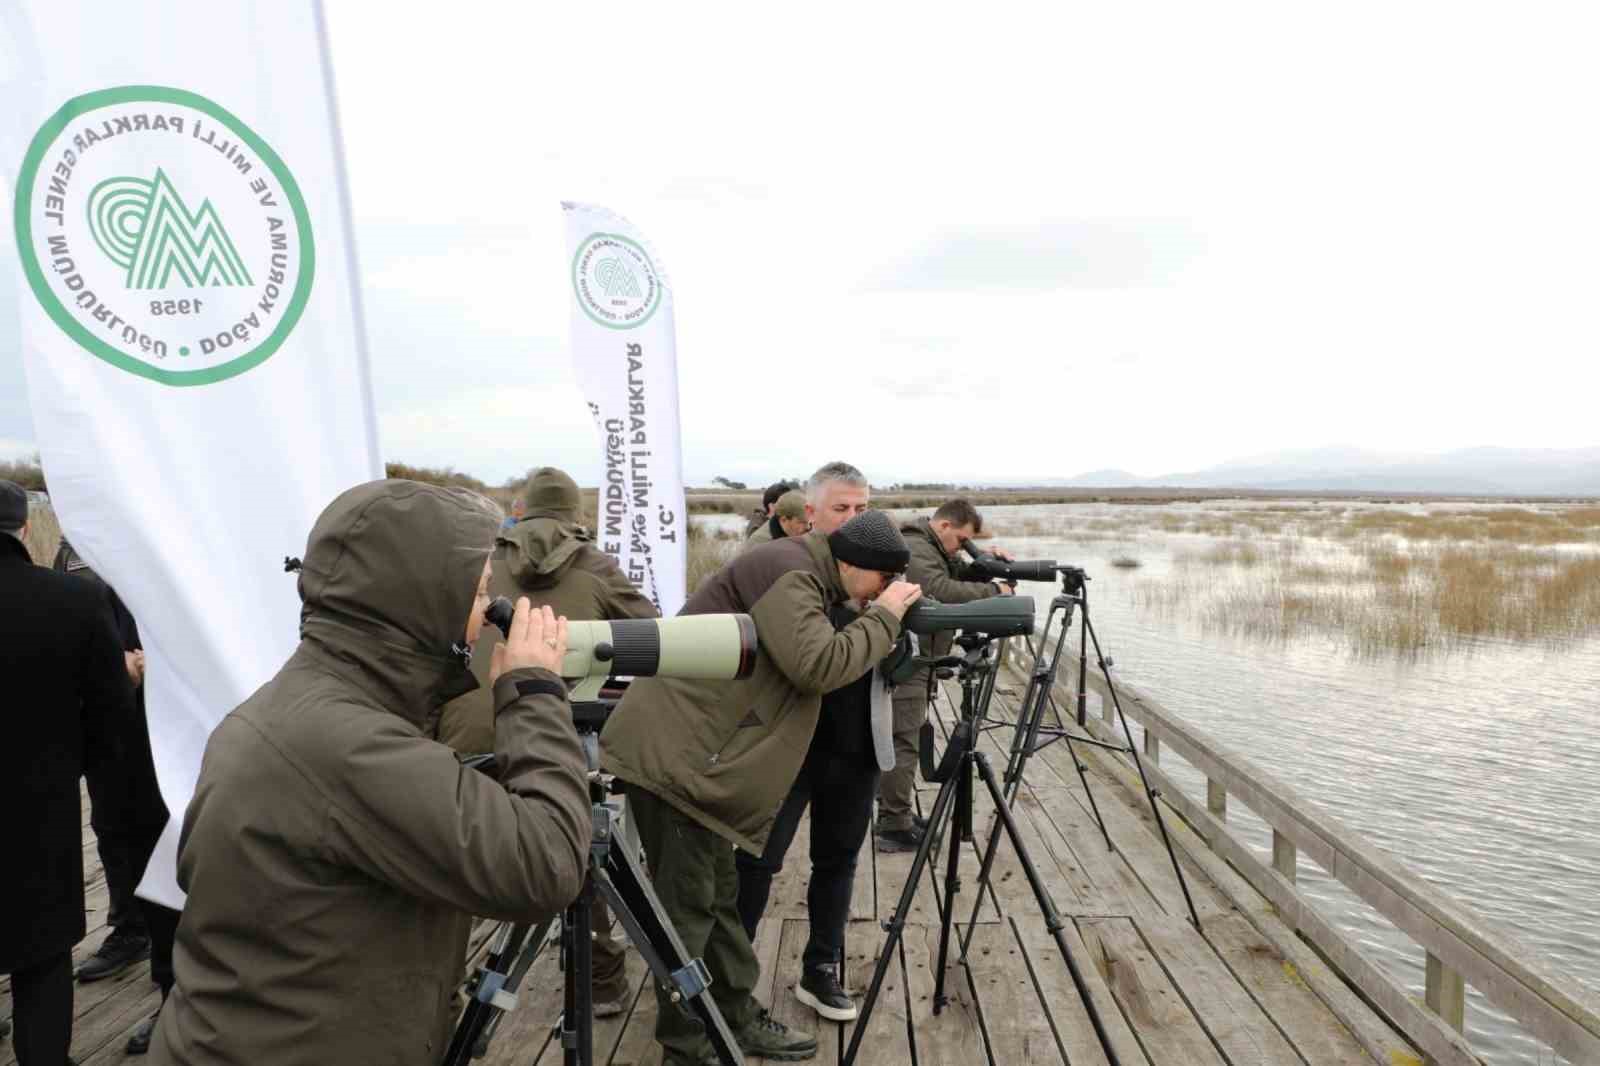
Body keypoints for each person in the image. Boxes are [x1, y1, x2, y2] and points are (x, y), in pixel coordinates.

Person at [147, 480, 591, 1066]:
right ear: (420, 599)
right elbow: (547, 863)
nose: (488, 616)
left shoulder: (305, 706)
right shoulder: (347, 748)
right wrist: (534, 691)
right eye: (480, 593)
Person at [601, 506, 921, 1066]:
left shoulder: (804, 570)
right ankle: (688, 1043)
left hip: (698, 754)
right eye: (884, 580)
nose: (886, 590)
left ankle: (735, 1015)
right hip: (677, 759)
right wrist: (886, 618)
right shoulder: (791, 572)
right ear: (854, 564)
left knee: (718, 897)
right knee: (688, 910)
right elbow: (817, 665)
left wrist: (879, 615)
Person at [436, 465, 656, 1016]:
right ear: (575, 517)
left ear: (521, 509)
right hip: (549, 723)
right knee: (576, 851)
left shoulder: (478, 561)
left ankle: (446, 991)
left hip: (464, 723)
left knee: (456, 855)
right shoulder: (597, 565)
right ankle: (602, 982)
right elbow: (648, 633)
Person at [734, 463, 903, 1023]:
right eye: (842, 509)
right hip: (788, 743)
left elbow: (900, 660)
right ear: (809, 513)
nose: (856, 520)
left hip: (855, 743)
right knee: (757, 860)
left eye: (863, 509)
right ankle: (729, 979)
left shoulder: (879, 570)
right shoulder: (792, 572)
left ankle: (821, 969)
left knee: (839, 859)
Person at [1, 480, 136, 1066]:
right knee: (41, 957)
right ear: (26, 528)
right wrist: (68, 766)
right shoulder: (73, 602)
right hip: (38, 809)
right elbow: (112, 722)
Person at [51, 538, 176, 1054]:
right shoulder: (73, 544)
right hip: (104, 721)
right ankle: (129, 928)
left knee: (161, 845)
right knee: (112, 831)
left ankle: (175, 986)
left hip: (162, 724)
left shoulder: (159, 537)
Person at [877, 499, 1014, 852]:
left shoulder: (929, 544)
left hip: (917, 656)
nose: (960, 548)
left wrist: (984, 565)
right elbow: (940, 589)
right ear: (944, 527)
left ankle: (897, 813)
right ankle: (893, 826)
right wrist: (994, 592)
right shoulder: (915, 546)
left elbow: (953, 573)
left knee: (903, 735)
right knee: (902, 740)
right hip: (906, 658)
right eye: (961, 540)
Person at [740, 488, 808, 552]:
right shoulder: (761, 545)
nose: (807, 527)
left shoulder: (798, 532)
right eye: (801, 522)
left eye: (808, 522)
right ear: (784, 520)